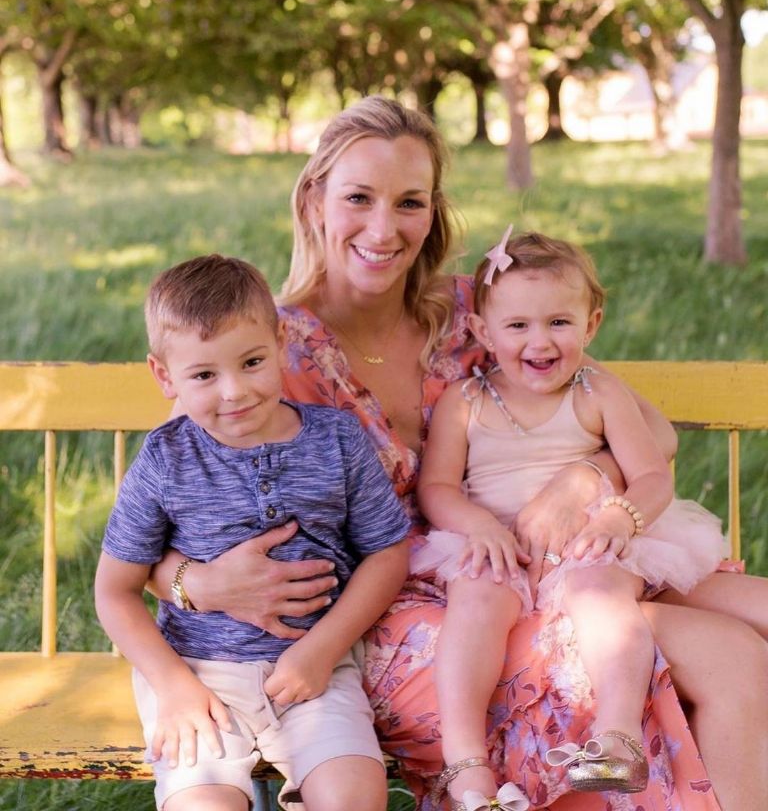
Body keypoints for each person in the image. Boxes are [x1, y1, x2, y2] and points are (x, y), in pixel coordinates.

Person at [148, 96, 768, 811]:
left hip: (543, 561)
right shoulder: (260, 351)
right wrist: (197, 585)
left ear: (433, 212)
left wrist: (582, 477)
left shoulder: (478, 310)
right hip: (388, 616)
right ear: (315, 199)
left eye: (409, 202)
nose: (384, 228)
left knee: (742, 635)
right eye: (358, 198)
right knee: (715, 654)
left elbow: (652, 432)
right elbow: (156, 523)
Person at [412, 229, 727, 808]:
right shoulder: (465, 402)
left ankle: (616, 738)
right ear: (483, 331)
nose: (540, 341)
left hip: (590, 539)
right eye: (517, 325)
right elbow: (436, 487)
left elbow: (652, 474)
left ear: (591, 324)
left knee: (598, 590)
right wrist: (477, 525)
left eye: (559, 322)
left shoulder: (598, 392)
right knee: (476, 599)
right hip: (499, 542)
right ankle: (465, 763)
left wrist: (620, 519)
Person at [95, 254, 411, 811]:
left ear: (281, 343)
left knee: (354, 797)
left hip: (316, 669)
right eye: (204, 375)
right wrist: (173, 686)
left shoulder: (337, 440)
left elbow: (387, 553)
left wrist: (323, 650)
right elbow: (114, 590)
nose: (234, 391)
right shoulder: (166, 459)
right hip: (199, 676)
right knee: (203, 804)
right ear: (164, 376)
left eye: (252, 362)